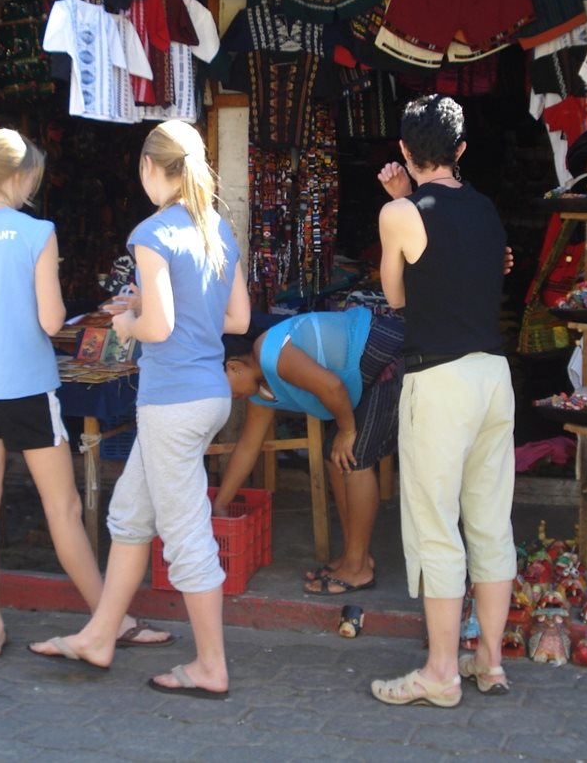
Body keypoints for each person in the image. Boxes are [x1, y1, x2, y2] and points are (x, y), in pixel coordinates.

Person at [29, 120, 250, 701]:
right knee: (130, 516)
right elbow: (238, 321)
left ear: (153, 169)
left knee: (186, 538)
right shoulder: (218, 230)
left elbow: (158, 326)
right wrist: (146, 302)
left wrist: (128, 318)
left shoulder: (151, 233)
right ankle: (101, 635)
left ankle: (210, 666)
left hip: (170, 400)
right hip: (208, 392)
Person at [0, 128, 171, 657]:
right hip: (27, 388)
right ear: (18, 178)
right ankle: (112, 621)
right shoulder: (36, 233)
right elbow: (51, 320)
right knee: (62, 507)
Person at [371, 95, 516, 707]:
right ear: (461, 151)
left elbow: (398, 297)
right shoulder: (485, 209)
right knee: (488, 521)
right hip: (493, 377)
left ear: (404, 151)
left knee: (436, 525)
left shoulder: (402, 212)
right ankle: (490, 661)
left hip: (440, 382)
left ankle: (439, 671)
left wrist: (398, 202)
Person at [215, 309, 408, 596]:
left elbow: (332, 386)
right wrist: (220, 504)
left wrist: (347, 431)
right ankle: (355, 556)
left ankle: (357, 569)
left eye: (222, 387)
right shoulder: (260, 392)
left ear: (233, 366)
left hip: (389, 354)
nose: (226, 396)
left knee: (354, 457)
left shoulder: (270, 354)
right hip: (366, 376)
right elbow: (247, 447)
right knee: (335, 457)